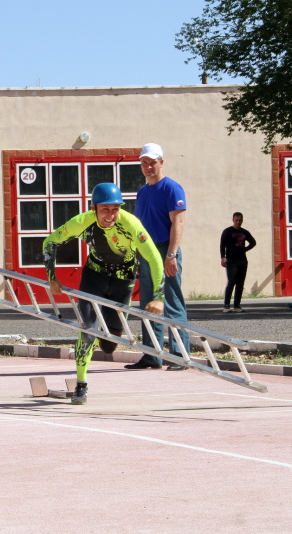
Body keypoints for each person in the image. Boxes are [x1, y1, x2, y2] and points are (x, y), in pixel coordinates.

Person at [44, 183, 165, 404]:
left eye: (115, 209)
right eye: (105, 209)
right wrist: (52, 277)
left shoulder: (131, 224)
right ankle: (81, 385)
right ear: (94, 208)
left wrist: (158, 297)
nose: (110, 215)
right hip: (94, 277)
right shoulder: (82, 222)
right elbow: (50, 242)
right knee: (88, 330)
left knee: (109, 346)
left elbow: (155, 259)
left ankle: (105, 333)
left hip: (123, 282)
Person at [125, 142, 190, 371]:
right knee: (148, 304)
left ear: (161, 162)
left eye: (152, 162)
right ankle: (152, 355)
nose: (148, 167)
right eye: (144, 163)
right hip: (146, 252)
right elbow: (139, 227)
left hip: (165, 250)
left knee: (171, 301)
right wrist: (134, 253)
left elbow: (178, 223)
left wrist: (171, 254)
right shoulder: (143, 191)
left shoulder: (172, 188)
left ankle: (179, 356)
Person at [220, 212, 257, 313]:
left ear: (242, 220)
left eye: (240, 220)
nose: (238, 222)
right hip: (231, 260)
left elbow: (253, 242)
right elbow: (222, 245)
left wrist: (245, 249)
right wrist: (223, 257)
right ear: (233, 220)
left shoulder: (244, 232)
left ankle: (237, 305)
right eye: (236, 220)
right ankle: (226, 305)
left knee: (240, 283)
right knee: (231, 282)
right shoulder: (227, 231)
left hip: (242, 260)